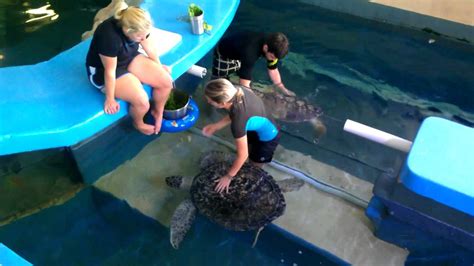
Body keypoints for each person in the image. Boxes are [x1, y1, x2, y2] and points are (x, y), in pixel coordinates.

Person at [86, 6, 172, 135]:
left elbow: (149, 48)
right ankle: (138, 123)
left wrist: (158, 66)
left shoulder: (139, 24)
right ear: (127, 30)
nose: (143, 39)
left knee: (166, 81)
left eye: (146, 35)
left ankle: (158, 111)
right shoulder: (109, 36)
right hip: (103, 70)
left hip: (128, 57)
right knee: (142, 102)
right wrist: (110, 99)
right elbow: (109, 71)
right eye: (139, 37)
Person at [202, 78, 280, 194]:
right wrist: (217, 126)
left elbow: (243, 155)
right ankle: (242, 168)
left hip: (268, 136)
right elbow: (234, 112)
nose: (208, 102)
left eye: (210, 101)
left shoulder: (238, 123)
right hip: (256, 125)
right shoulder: (237, 90)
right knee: (248, 150)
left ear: (222, 104)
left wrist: (228, 177)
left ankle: (252, 181)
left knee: (254, 166)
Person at [212, 31, 295, 96]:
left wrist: (281, 87)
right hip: (225, 53)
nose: (273, 60)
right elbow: (244, 86)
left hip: (240, 51)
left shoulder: (272, 44)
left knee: (242, 74)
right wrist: (254, 99)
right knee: (218, 85)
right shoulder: (250, 53)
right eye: (272, 57)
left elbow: (273, 69)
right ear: (266, 48)